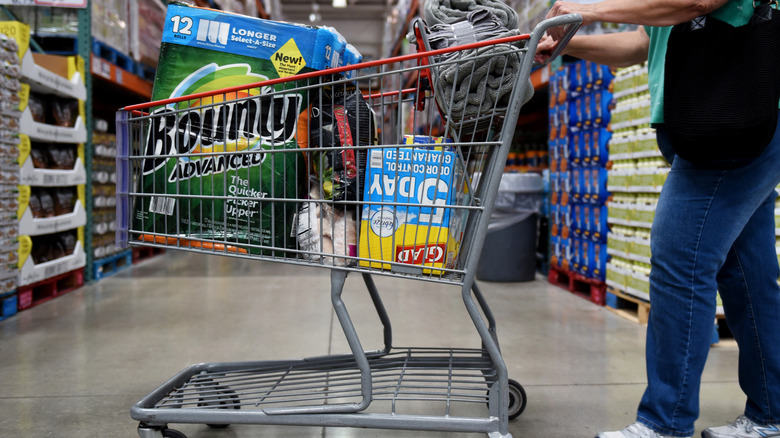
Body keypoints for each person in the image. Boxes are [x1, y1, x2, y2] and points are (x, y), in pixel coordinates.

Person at [537, 1, 780, 437]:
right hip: (725, 122)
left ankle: (665, 423)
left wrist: (588, 9)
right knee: (749, 278)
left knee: (679, 263)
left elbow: (696, 2)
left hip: (734, 124)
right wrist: (568, 46)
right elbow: (643, 43)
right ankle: (772, 413)